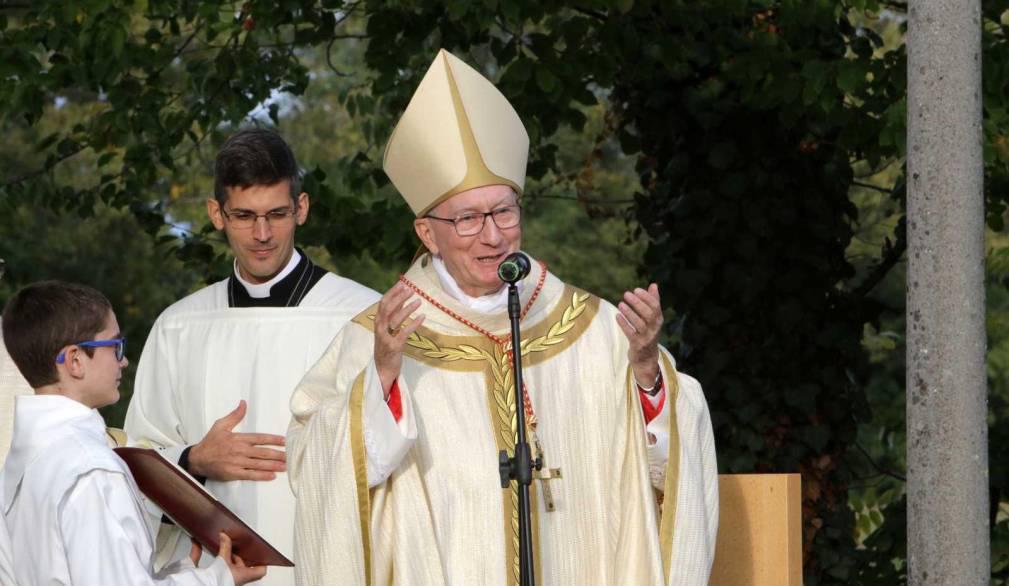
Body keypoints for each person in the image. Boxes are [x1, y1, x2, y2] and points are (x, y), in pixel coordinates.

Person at [287, 50, 719, 585]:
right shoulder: (381, 338)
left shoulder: (595, 328)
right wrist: (382, 378)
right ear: (428, 233)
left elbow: (671, 459)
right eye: (468, 219)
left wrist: (649, 373)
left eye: (504, 211)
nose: (492, 236)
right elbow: (315, 468)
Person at [124, 129, 381, 585]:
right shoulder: (179, 326)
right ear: (215, 214)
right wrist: (193, 459)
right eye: (244, 216)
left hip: (329, 562)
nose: (262, 235)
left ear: (301, 208)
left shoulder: (360, 316)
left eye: (277, 214)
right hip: (210, 571)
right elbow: (139, 463)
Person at [0, 280, 266, 585]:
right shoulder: (90, 470)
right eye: (115, 347)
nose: (123, 360)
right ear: (74, 361)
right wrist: (217, 578)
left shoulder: (19, 464)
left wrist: (176, 576)